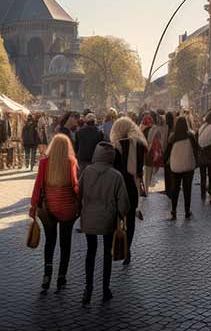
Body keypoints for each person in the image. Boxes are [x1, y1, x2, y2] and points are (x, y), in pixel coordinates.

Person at [78, 142, 130, 305]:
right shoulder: (116, 176)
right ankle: (105, 289)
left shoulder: (87, 172)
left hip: (89, 218)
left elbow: (79, 194)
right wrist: (122, 215)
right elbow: (124, 204)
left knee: (90, 252)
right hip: (108, 219)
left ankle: (88, 289)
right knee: (107, 253)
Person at [29, 134, 78, 293]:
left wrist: (33, 207)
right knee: (65, 244)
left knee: (50, 241)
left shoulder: (44, 162)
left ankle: (47, 275)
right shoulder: (71, 163)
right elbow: (75, 186)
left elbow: (38, 186)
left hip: (48, 208)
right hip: (67, 208)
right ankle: (61, 277)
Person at [109, 117, 145, 265]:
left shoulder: (116, 146)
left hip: (119, 185)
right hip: (133, 186)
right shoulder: (140, 145)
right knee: (131, 219)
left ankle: (116, 244)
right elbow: (140, 169)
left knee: (118, 216)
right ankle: (127, 249)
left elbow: (113, 169)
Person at [164, 116, 199, 219]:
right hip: (188, 166)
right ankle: (187, 211)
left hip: (176, 167)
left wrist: (165, 162)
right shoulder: (191, 136)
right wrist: (196, 162)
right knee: (187, 189)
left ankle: (174, 211)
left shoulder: (172, 137)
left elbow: (167, 153)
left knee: (175, 189)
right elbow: (196, 150)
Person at [143, 114, 165, 193]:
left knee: (147, 172)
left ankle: (146, 189)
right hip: (151, 153)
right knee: (151, 171)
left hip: (146, 153)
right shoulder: (154, 129)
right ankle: (148, 188)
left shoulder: (141, 128)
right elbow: (157, 142)